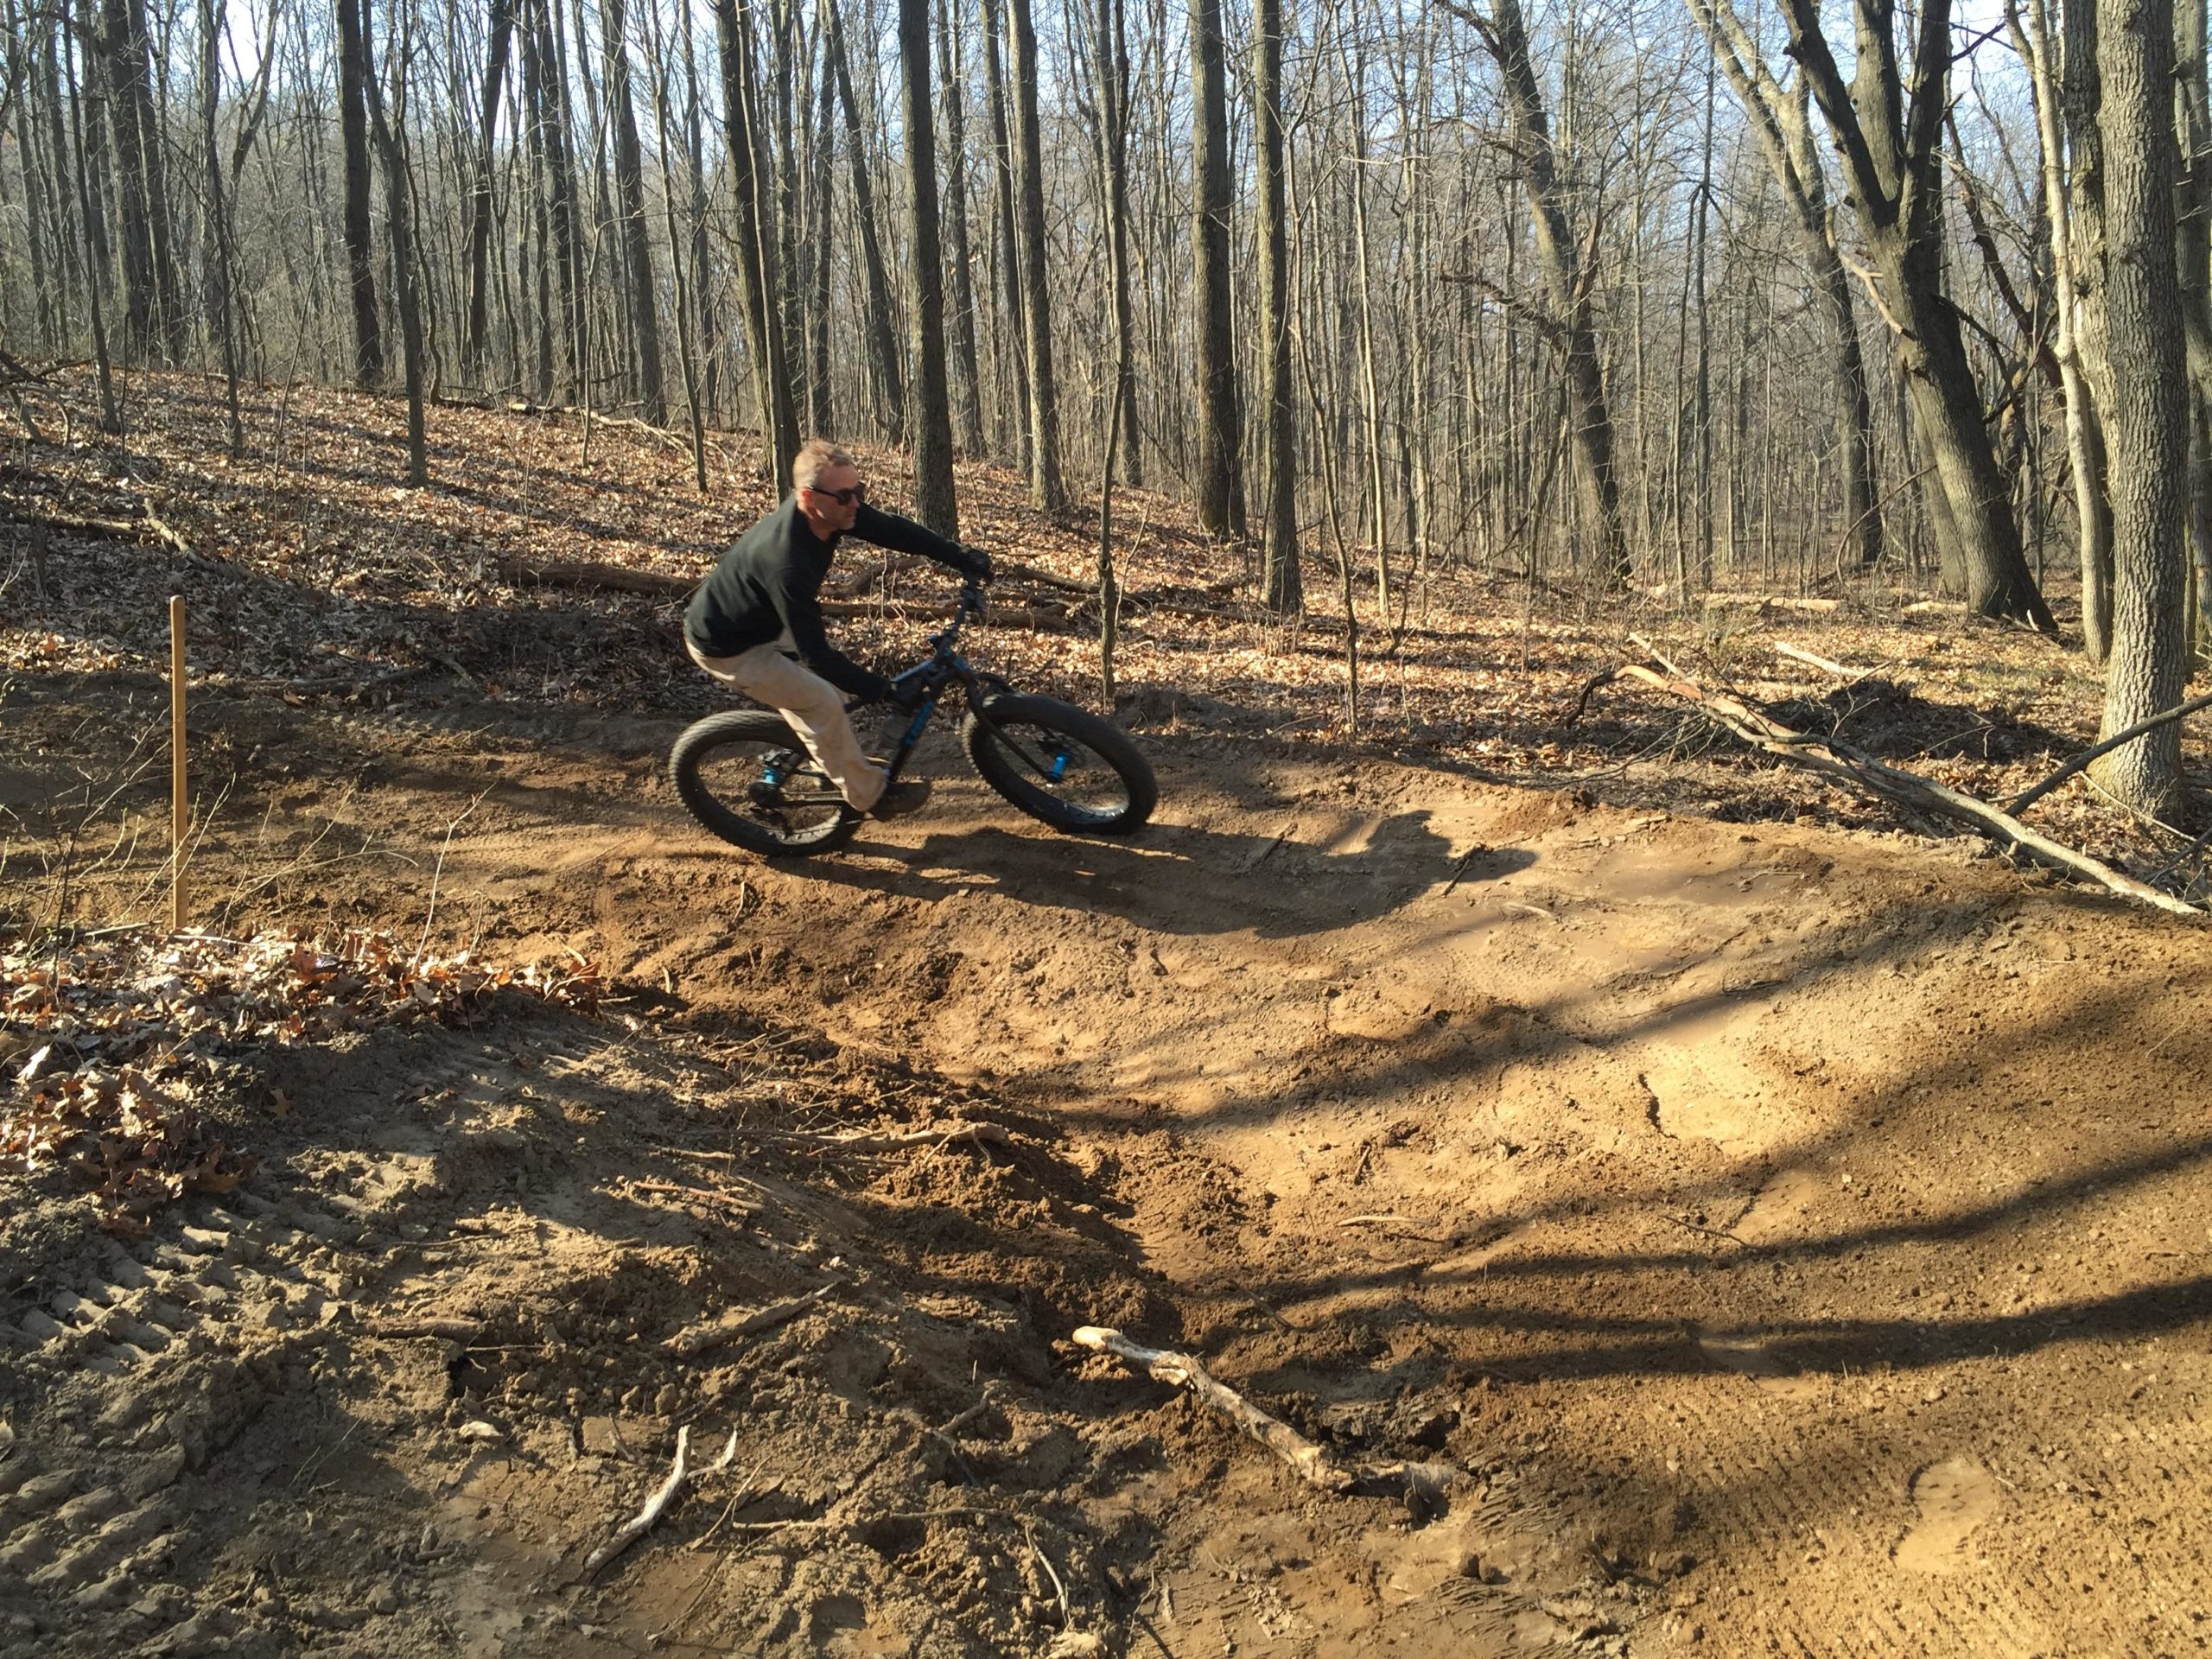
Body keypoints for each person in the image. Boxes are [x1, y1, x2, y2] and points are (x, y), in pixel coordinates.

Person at [683, 439, 992, 819]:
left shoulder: (834, 512)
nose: (856, 504)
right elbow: (816, 656)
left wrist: (957, 555)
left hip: (761, 619)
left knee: (835, 691)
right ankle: (872, 796)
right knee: (823, 700)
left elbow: (894, 530)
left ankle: (822, 763)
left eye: (859, 491)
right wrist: (887, 691)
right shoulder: (788, 563)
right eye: (846, 495)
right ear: (810, 498)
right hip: (728, 646)